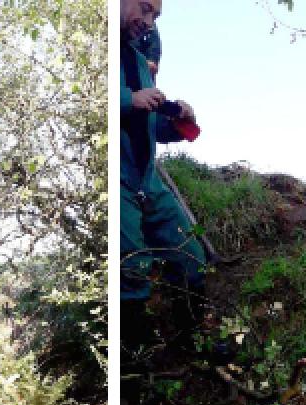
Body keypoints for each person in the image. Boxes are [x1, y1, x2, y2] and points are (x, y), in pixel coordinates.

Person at [119, 0, 206, 344]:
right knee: (132, 269)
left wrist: (180, 120)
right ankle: (136, 361)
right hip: (119, 179)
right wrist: (129, 99)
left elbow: (150, 127)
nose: (148, 21)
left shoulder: (141, 63)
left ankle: (193, 341)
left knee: (190, 256)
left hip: (147, 179)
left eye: (154, 15)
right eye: (144, 9)